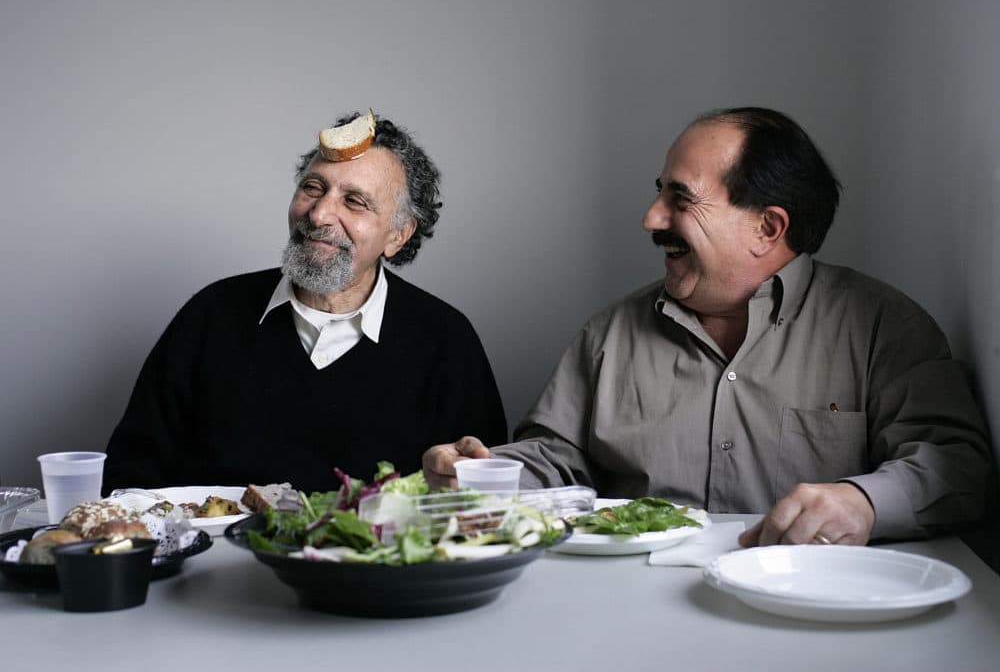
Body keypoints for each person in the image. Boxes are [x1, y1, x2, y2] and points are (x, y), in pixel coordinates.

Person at [423, 107, 994, 546]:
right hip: (628, 616)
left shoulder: (882, 326)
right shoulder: (610, 334)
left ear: (767, 229)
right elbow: (555, 458)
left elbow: (959, 465)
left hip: (810, 615)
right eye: (658, 193)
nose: (651, 219)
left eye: (680, 199)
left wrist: (863, 503)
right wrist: (482, 475)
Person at [104, 111, 507, 495]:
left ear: (398, 235)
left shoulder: (446, 340)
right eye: (313, 188)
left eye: (355, 201)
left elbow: (483, 496)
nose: (318, 214)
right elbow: (129, 475)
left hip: (376, 568)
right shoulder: (210, 316)